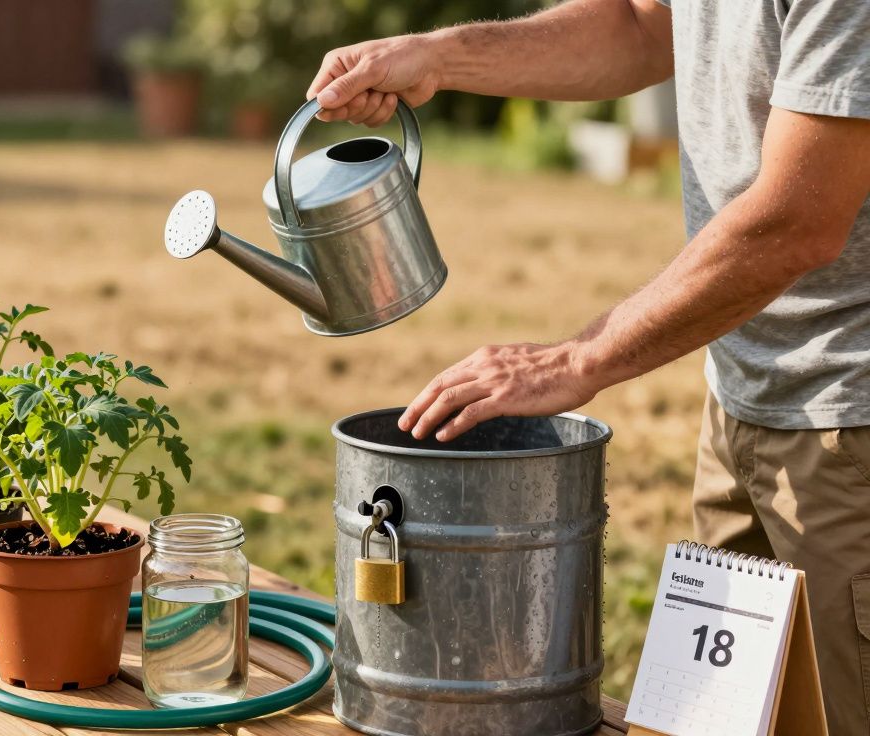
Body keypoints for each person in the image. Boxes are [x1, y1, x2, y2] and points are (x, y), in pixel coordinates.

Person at [307, 0, 870, 730]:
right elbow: (640, 24)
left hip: (850, 423)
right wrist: (439, 58)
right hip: (742, 395)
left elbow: (802, 216)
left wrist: (583, 356)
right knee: (718, 722)